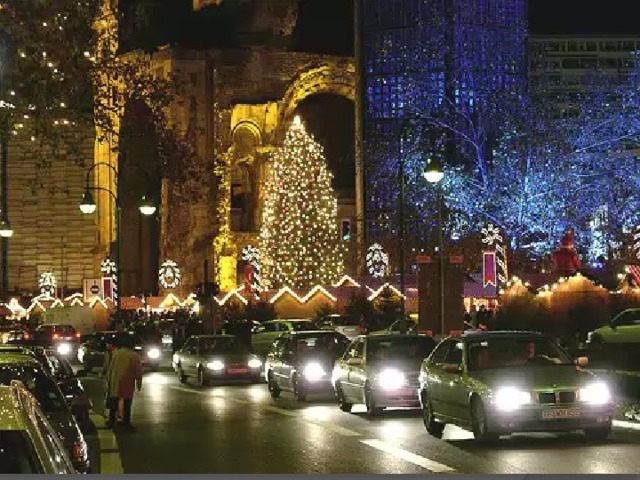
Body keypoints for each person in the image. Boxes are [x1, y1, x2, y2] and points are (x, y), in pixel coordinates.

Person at [105, 335, 143, 430]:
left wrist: (108, 380)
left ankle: (112, 421)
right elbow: (138, 371)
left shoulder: (116, 354)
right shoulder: (134, 355)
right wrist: (139, 383)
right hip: (127, 381)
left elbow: (111, 368)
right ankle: (126, 422)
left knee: (114, 401)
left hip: (115, 380)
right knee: (127, 403)